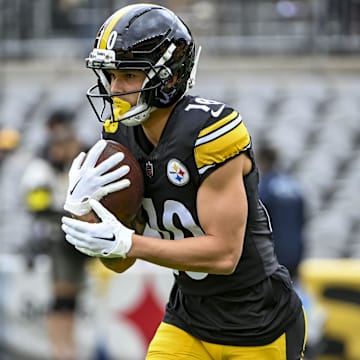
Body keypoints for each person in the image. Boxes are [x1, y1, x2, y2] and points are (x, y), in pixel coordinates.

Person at [61, 4, 307, 359]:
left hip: (258, 321)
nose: (115, 88)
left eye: (128, 75)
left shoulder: (208, 132)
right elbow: (121, 259)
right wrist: (95, 227)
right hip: (189, 318)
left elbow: (224, 253)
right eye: (111, 75)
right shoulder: (121, 137)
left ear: (170, 77)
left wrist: (130, 243)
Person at [20, 111, 88, 360]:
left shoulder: (74, 167)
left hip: (74, 237)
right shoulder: (42, 169)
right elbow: (38, 207)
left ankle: (67, 349)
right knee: (61, 298)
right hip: (58, 237)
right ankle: (60, 350)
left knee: (71, 299)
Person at [256, 141, 305, 280]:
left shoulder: (264, 188)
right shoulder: (293, 186)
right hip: (295, 252)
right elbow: (302, 219)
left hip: (274, 253)